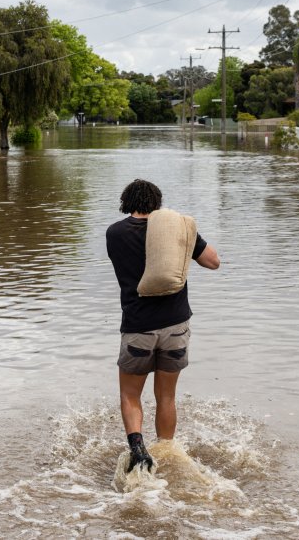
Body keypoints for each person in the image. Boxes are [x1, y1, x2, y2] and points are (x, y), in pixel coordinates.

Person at [105, 179, 219, 473]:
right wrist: (185, 238)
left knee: (131, 395)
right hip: (176, 327)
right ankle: (166, 455)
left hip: (138, 328)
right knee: (166, 396)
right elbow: (213, 262)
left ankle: (138, 451)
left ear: (126, 202)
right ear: (157, 203)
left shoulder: (115, 233)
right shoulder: (177, 230)